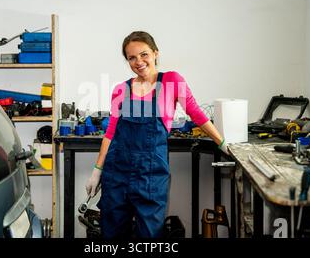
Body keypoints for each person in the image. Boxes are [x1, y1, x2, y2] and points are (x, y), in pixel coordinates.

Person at [85, 31, 229, 239]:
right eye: (131, 58)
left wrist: (222, 143)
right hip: (117, 175)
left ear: (155, 53)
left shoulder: (171, 81)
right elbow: (111, 132)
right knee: (112, 235)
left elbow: (195, 113)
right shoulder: (121, 90)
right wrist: (97, 170)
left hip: (150, 177)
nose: (138, 61)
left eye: (144, 54)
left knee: (150, 236)